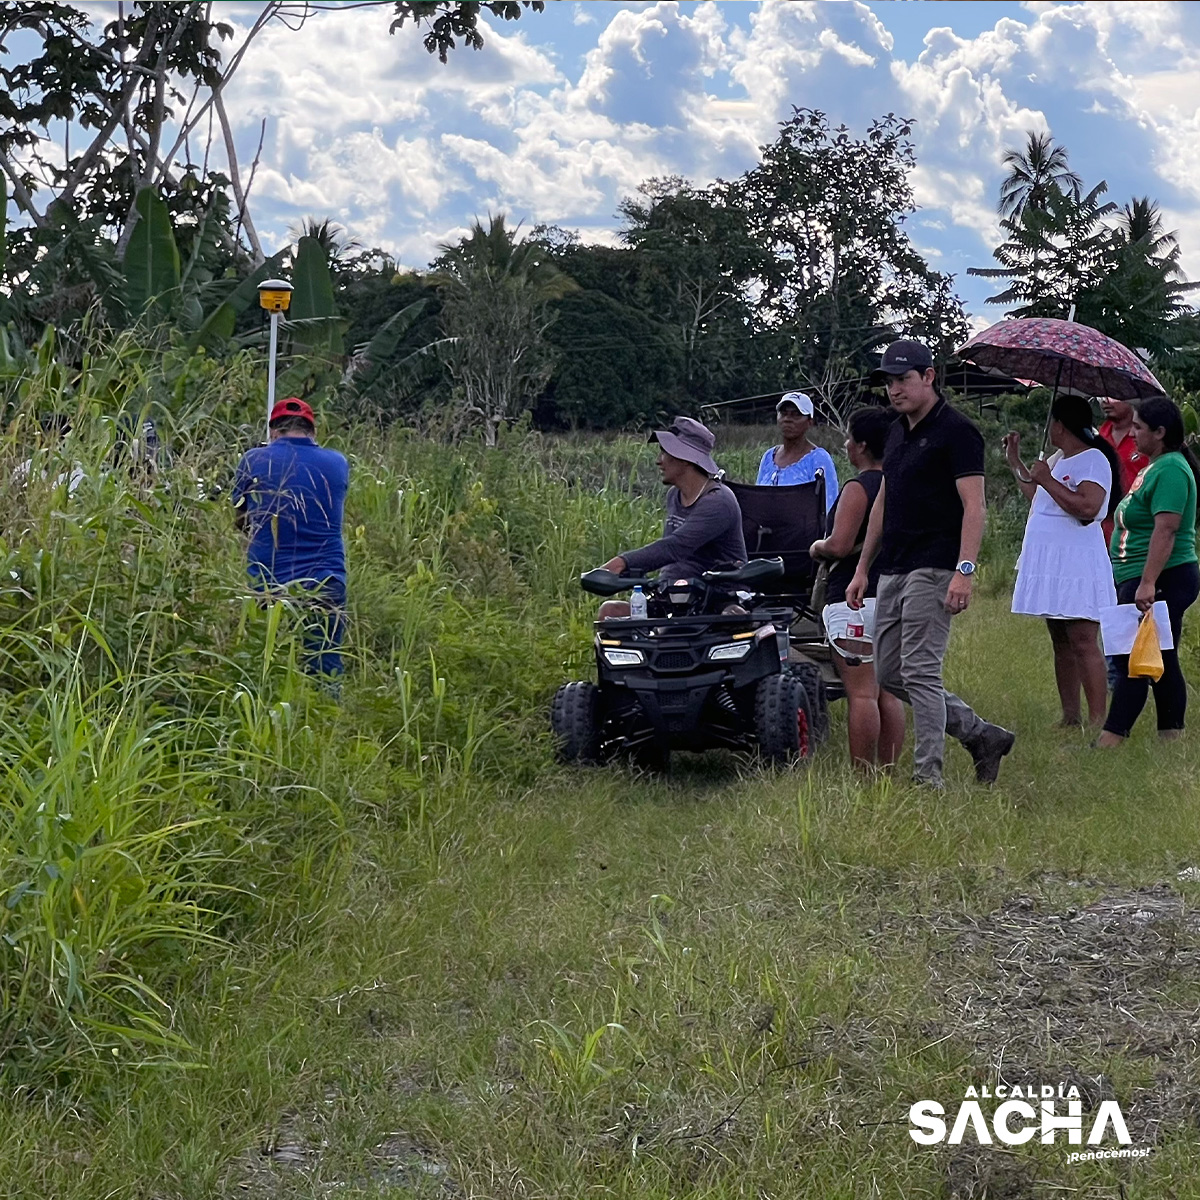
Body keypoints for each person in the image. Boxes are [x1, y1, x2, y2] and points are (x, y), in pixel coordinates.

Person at [845, 339, 1015, 789]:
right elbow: (884, 497)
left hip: (936, 564)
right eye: (889, 382)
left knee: (920, 669)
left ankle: (928, 777)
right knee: (890, 673)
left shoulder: (957, 431)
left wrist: (965, 570)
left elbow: (975, 506)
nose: (895, 390)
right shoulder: (897, 430)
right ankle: (982, 735)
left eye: (903, 379)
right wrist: (863, 566)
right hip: (894, 565)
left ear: (928, 376)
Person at [1003, 394, 1123, 729]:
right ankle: (1070, 716)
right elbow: (1037, 496)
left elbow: (1088, 509)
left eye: (1050, 421)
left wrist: (1048, 479)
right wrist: (1016, 463)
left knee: (1083, 639)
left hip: (1077, 563)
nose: (1047, 427)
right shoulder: (1058, 457)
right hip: (1051, 562)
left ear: (1060, 424)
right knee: (1060, 639)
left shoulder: (1093, 459)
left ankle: (1100, 720)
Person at [1097, 396, 1200, 747]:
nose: (1134, 433)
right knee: (1161, 658)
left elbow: (1166, 529)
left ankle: (1111, 739)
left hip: (1162, 577)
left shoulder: (1171, 469)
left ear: (1160, 432)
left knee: (1134, 660)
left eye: (1140, 428)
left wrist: (1148, 582)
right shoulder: (1153, 466)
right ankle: (1170, 735)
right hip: (1142, 576)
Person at [808, 406, 904, 770]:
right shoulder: (900, 483)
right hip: (894, 593)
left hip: (855, 598)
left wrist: (816, 547)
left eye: (849, 438)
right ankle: (888, 771)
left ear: (861, 446)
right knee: (888, 692)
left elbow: (838, 544)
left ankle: (863, 775)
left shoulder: (860, 487)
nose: (846, 444)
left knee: (861, 693)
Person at [232, 398, 350, 680]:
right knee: (325, 667)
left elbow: (240, 519)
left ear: (273, 431)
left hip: (269, 581)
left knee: (267, 669)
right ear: (313, 432)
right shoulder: (338, 463)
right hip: (327, 578)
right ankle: (326, 717)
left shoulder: (253, 460)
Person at [600, 416, 746, 615]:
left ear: (686, 458)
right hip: (674, 593)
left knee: (726, 617)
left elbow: (675, 547)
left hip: (716, 597)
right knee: (610, 612)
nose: (658, 461)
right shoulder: (674, 496)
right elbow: (670, 556)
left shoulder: (718, 502)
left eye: (665, 452)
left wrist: (620, 563)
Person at [756, 392, 839, 512]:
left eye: (796, 415)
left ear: (809, 422)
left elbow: (828, 508)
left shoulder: (819, 459)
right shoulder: (769, 457)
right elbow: (757, 500)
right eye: (784, 414)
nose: (788, 419)